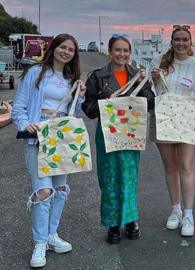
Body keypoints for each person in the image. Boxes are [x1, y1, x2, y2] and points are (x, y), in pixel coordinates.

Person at [12, 33, 86, 268]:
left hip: (62, 138)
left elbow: (74, 112)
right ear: (53, 48)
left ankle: (52, 235)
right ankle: (40, 242)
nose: (66, 52)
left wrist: (81, 98)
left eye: (71, 50)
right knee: (43, 191)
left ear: (74, 55)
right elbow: (19, 107)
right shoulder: (36, 73)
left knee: (60, 189)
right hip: (38, 136)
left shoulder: (71, 77)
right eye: (62, 47)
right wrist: (25, 125)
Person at [82, 34, 155, 244]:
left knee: (129, 176)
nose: (122, 54)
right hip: (107, 133)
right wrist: (106, 102)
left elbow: (150, 102)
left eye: (125, 50)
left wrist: (143, 86)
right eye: (117, 50)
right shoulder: (97, 77)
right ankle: (113, 222)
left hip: (131, 133)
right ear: (110, 52)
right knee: (109, 177)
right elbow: (88, 108)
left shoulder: (137, 75)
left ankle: (131, 220)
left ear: (129, 53)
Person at [150, 25, 195, 237]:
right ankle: (176, 210)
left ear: (190, 42)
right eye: (177, 39)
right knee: (170, 166)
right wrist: (156, 78)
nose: (181, 43)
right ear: (171, 41)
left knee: (186, 165)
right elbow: (154, 91)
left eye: (185, 39)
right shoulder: (159, 61)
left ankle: (189, 214)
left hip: (186, 118)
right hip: (164, 116)